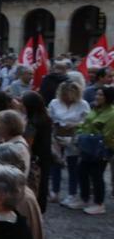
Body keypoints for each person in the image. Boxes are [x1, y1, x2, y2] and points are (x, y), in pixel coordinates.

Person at [73, 86, 114, 214]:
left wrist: (90, 137)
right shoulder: (94, 109)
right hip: (87, 147)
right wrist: (80, 132)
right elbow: (85, 124)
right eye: (97, 94)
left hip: (101, 149)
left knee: (97, 175)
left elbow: (107, 134)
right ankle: (85, 198)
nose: (97, 97)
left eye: (101, 95)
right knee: (82, 171)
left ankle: (99, 203)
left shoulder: (111, 114)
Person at [48, 81, 89, 206]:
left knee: (73, 166)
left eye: (70, 95)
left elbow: (87, 121)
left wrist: (76, 125)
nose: (67, 98)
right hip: (57, 135)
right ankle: (55, 191)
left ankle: (72, 194)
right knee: (55, 164)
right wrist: (56, 125)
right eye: (65, 95)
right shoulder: (55, 103)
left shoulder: (83, 104)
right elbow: (50, 117)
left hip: (74, 137)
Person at [22, 91, 53, 212]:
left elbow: (28, 143)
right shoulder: (45, 118)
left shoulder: (33, 122)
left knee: (36, 184)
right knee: (43, 183)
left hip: (35, 157)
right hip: (44, 155)